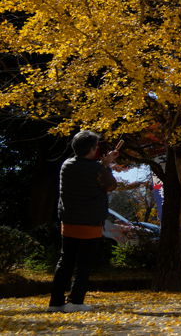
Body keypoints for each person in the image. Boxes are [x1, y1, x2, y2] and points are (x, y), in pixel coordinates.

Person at [48, 131, 118, 313]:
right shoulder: (97, 168)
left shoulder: (66, 165)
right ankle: (75, 301)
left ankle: (55, 303)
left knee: (65, 261)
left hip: (69, 221)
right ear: (91, 149)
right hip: (90, 222)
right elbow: (110, 185)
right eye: (96, 146)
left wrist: (102, 165)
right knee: (84, 263)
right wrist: (106, 165)